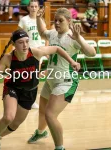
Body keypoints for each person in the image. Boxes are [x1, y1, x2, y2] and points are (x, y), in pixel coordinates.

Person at [0, 29, 80, 150]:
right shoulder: (8, 58)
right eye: (20, 42)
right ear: (14, 44)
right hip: (12, 89)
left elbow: (57, 49)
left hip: (29, 92)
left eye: (27, 42)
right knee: (9, 117)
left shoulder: (36, 52)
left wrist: (72, 61)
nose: (25, 45)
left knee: (16, 123)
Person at [27, 8, 96, 150]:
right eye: (55, 20)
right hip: (52, 78)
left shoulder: (73, 37)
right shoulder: (53, 34)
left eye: (60, 21)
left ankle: (60, 147)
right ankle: (40, 133)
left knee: (50, 115)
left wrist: (79, 40)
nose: (57, 23)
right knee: (42, 111)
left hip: (66, 81)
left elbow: (92, 53)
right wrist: (39, 18)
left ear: (69, 21)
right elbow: (42, 32)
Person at [18, 0, 47, 109]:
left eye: (36, 6)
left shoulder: (41, 20)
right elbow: (18, 36)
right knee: (25, 76)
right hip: (27, 51)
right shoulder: (24, 20)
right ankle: (21, 97)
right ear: (28, 8)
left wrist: (46, 49)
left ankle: (32, 100)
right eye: (32, 6)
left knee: (35, 77)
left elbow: (45, 36)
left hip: (39, 51)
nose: (34, 8)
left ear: (38, 8)